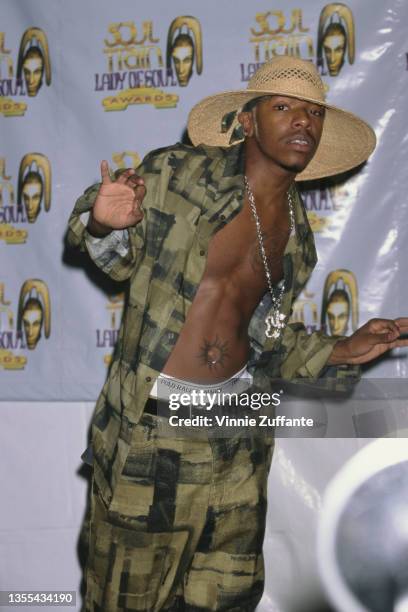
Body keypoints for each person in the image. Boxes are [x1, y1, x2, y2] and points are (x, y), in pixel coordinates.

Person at [67, 56, 408, 611]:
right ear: (246, 122)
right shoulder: (177, 174)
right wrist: (104, 222)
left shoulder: (297, 238)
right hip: (156, 438)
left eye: (313, 112)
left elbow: (266, 345)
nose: (303, 121)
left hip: (239, 442)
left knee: (225, 602)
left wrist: (345, 348)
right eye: (284, 107)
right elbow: (113, 255)